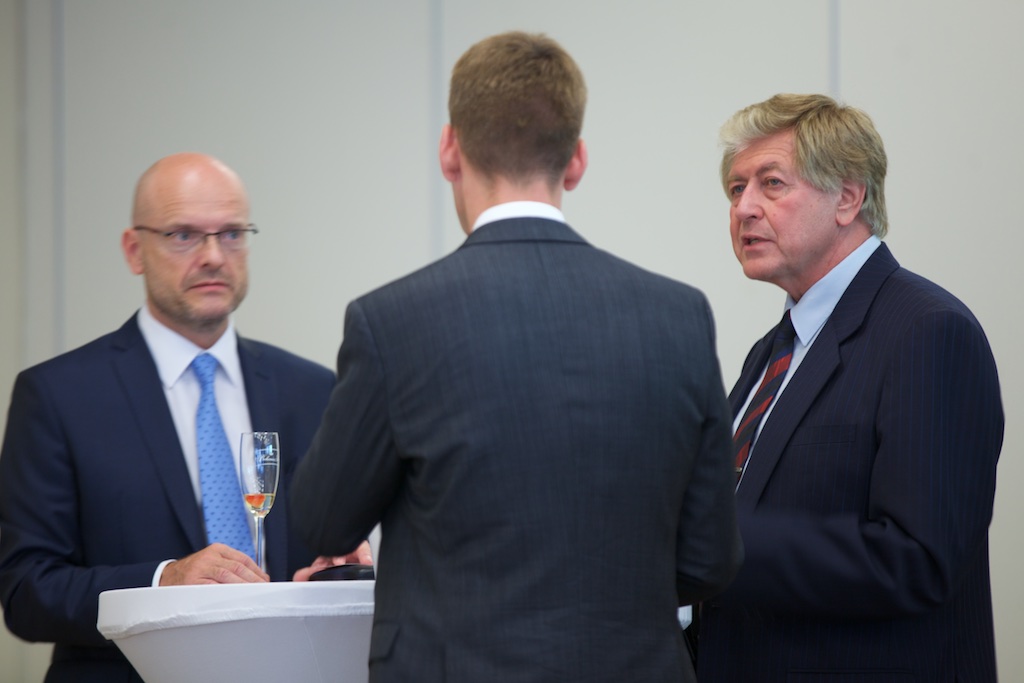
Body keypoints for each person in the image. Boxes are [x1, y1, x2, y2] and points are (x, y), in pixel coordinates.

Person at [290, 31, 743, 683]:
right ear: (577, 160)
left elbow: (324, 521)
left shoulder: (392, 322)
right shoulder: (679, 316)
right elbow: (709, 559)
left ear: (450, 150)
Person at [0, 152, 369, 683]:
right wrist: (162, 581)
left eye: (232, 234)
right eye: (183, 235)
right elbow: (26, 591)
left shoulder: (312, 390)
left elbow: (316, 559)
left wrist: (333, 575)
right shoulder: (58, 396)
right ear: (135, 250)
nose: (214, 256)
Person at [697, 94, 1004, 682]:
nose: (744, 208)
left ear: (847, 197)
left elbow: (917, 560)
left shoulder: (928, 331)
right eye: (736, 189)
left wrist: (713, 544)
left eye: (771, 183)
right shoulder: (772, 351)